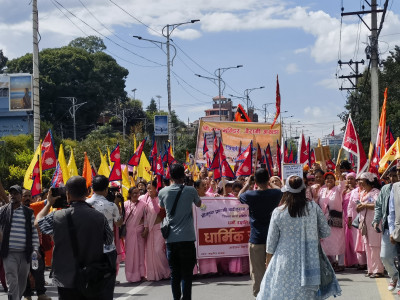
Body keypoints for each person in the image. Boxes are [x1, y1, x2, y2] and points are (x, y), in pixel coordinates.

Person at [257, 175, 341, 300]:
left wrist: (268, 262)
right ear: (303, 190)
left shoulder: (279, 212)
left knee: (283, 294)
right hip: (310, 260)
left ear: (286, 191)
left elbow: (271, 242)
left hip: (283, 259)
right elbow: (325, 232)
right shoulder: (313, 208)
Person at [36, 176, 114, 299]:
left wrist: (49, 203)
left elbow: (37, 223)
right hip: (92, 276)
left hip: (65, 278)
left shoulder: (57, 216)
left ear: (67, 194)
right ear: (88, 192)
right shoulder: (99, 217)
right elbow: (109, 240)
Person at [158, 163, 202, 300]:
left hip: (171, 239)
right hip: (187, 238)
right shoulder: (191, 190)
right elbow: (200, 204)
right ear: (183, 175)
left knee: (175, 274)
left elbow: (162, 208)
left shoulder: (162, 192)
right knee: (187, 275)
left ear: (170, 176)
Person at [239, 169, 282, 297]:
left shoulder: (250, 195)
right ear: (268, 179)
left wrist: (247, 184)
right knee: (274, 270)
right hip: (273, 238)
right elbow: (281, 189)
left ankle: (259, 295)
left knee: (257, 272)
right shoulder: (275, 193)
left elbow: (239, 195)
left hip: (256, 238)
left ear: (256, 181)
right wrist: (270, 183)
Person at [86, 175, 123, 298]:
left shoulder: (85, 204)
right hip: (108, 250)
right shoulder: (111, 205)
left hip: (89, 250)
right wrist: (118, 205)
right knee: (107, 285)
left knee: (92, 285)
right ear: (106, 189)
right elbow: (118, 222)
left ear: (92, 188)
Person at [0, 185, 40, 300]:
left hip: (25, 253)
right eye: (11, 193)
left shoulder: (28, 213)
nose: (13, 195)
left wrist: (36, 249)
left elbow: (33, 232)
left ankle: (17, 297)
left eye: (16, 193)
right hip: (9, 253)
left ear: (20, 196)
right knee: (12, 279)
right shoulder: (2, 211)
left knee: (22, 282)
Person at [372, 166, 399, 290]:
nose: (393, 178)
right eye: (391, 176)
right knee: (384, 256)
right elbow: (378, 206)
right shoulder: (385, 189)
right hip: (388, 229)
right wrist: (376, 220)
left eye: (396, 175)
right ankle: (394, 275)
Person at [22, 189, 51, 300]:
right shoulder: (16, 210)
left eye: (30, 196)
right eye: (25, 196)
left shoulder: (35, 207)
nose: (28, 198)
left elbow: (47, 202)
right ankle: (27, 295)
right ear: (21, 197)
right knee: (25, 272)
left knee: (38, 270)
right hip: (22, 248)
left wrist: (50, 194)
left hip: (35, 247)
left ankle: (41, 294)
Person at [142, 180, 170, 281]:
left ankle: (167, 272)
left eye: (150, 188)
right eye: (147, 188)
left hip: (159, 228)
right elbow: (145, 215)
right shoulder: (145, 199)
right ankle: (155, 274)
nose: (148, 190)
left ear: (155, 188)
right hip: (149, 229)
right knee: (150, 253)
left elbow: (158, 211)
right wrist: (145, 228)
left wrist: (153, 200)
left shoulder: (160, 198)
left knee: (158, 251)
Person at [357, 172, 384, 278]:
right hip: (364, 223)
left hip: (374, 222)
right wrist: (359, 207)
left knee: (375, 246)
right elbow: (359, 205)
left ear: (369, 182)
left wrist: (364, 205)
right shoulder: (363, 192)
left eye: (362, 182)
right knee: (367, 246)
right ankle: (371, 269)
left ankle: (378, 270)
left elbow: (378, 205)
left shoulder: (376, 192)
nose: (360, 184)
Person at [318, 171, 346, 272]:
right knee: (326, 241)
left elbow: (342, 184)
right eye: (327, 178)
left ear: (334, 181)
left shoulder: (338, 190)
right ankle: (332, 261)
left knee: (339, 241)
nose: (329, 180)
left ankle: (341, 263)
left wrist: (339, 175)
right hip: (324, 219)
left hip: (336, 218)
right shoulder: (322, 190)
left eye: (331, 178)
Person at [124, 187, 147, 282]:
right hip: (129, 233)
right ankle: (130, 276)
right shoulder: (125, 204)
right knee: (130, 255)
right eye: (133, 193)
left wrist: (146, 229)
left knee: (141, 254)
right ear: (129, 194)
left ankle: (141, 274)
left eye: (137, 193)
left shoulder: (143, 204)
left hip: (139, 232)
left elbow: (146, 218)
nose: (135, 195)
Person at [342, 173, 358, 267]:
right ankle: (348, 261)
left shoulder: (357, 190)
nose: (349, 181)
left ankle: (356, 260)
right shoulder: (344, 191)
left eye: (352, 179)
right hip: (344, 216)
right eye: (348, 179)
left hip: (354, 216)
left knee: (353, 239)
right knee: (346, 240)